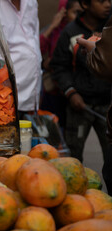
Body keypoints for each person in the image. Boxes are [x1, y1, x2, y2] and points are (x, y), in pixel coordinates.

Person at [50, 0, 111, 174]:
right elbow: (59, 67)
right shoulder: (70, 32)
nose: (107, 4)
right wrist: (70, 92)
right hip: (79, 105)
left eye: (109, 0)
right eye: (101, 1)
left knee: (110, 159)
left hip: (106, 106)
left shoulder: (109, 31)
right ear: (85, 4)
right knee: (73, 160)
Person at [77, 16, 112, 194]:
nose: (106, 4)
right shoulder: (71, 28)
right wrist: (70, 91)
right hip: (82, 101)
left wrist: (94, 52)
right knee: (75, 149)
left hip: (103, 101)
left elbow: (106, 64)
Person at [39, 0, 83, 130]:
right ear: (64, 13)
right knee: (51, 130)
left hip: (74, 93)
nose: (79, 17)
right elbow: (37, 50)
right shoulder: (54, 31)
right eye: (76, 12)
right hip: (53, 91)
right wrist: (53, 25)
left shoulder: (82, 33)